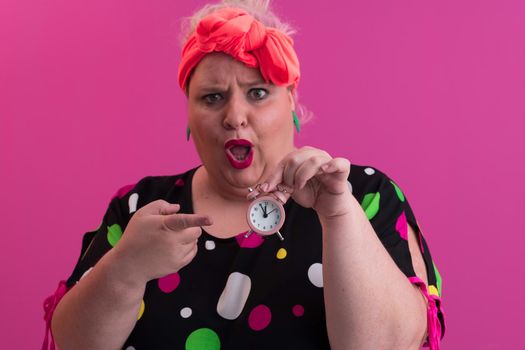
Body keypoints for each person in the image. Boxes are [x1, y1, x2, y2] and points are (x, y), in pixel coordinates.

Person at [43, 1, 445, 349]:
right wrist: (126, 267)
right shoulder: (140, 208)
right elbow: (74, 342)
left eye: (257, 92)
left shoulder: (361, 194)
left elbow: (391, 344)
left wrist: (339, 215)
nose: (234, 116)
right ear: (189, 112)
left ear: (291, 100)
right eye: (212, 97)